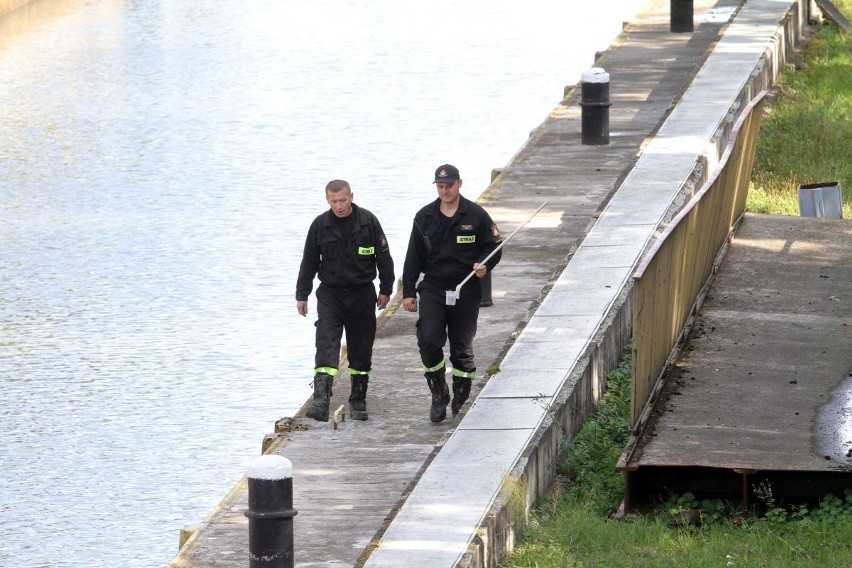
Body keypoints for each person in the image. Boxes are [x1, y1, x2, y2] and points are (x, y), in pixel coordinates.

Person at [402, 164, 502, 423]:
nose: (444, 190)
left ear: (459, 183)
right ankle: (438, 393)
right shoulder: (424, 217)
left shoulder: (476, 215)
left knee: (461, 348)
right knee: (429, 339)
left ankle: (460, 396)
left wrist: (484, 266)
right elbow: (413, 257)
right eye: (440, 186)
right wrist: (409, 292)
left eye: (449, 185)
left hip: (465, 288)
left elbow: (494, 247)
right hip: (434, 287)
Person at [296, 179, 395, 422]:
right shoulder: (320, 225)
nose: (339, 206)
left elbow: (384, 258)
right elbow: (309, 261)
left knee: (361, 348)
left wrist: (386, 289)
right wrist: (302, 294)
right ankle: (321, 401)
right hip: (331, 294)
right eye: (333, 201)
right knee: (326, 343)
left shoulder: (368, 222)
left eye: (343, 200)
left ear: (351, 196)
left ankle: (358, 400)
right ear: (327, 200)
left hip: (362, 293)